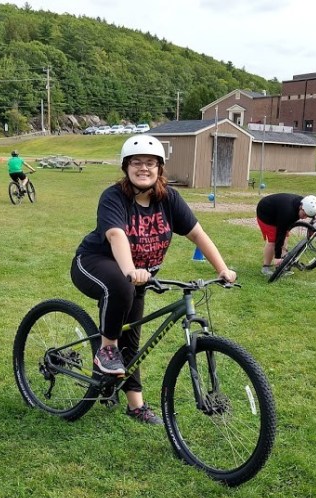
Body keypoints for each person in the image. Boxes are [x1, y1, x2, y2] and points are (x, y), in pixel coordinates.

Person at [70, 135, 238, 425]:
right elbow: (116, 235)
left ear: (160, 168)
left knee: (132, 339)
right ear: (126, 167)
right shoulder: (114, 197)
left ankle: (135, 406)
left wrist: (222, 269)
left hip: (137, 277)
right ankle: (106, 350)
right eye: (136, 163)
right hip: (95, 264)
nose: (143, 168)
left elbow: (197, 233)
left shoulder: (168, 199)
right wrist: (130, 270)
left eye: (150, 163)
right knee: (121, 290)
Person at [255, 193, 316, 276]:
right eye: (304, 215)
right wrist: (277, 257)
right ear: (301, 207)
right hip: (266, 213)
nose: (305, 218)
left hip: (278, 211)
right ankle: (266, 267)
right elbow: (280, 233)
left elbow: (310, 209)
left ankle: (281, 264)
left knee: (285, 236)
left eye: (308, 216)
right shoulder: (288, 212)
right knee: (273, 240)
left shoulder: (304, 203)